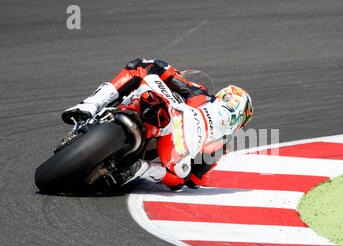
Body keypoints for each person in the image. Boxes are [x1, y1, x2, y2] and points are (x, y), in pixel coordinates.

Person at [61, 58, 253, 190]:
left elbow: (162, 70)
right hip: (167, 144)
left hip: (166, 129)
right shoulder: (220, 145)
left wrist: (166, 72)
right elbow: (194, 181)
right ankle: (141, 168)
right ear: (240, 123)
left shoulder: (201, 94)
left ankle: (90, 105)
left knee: (140, 66)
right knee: (178, 181)